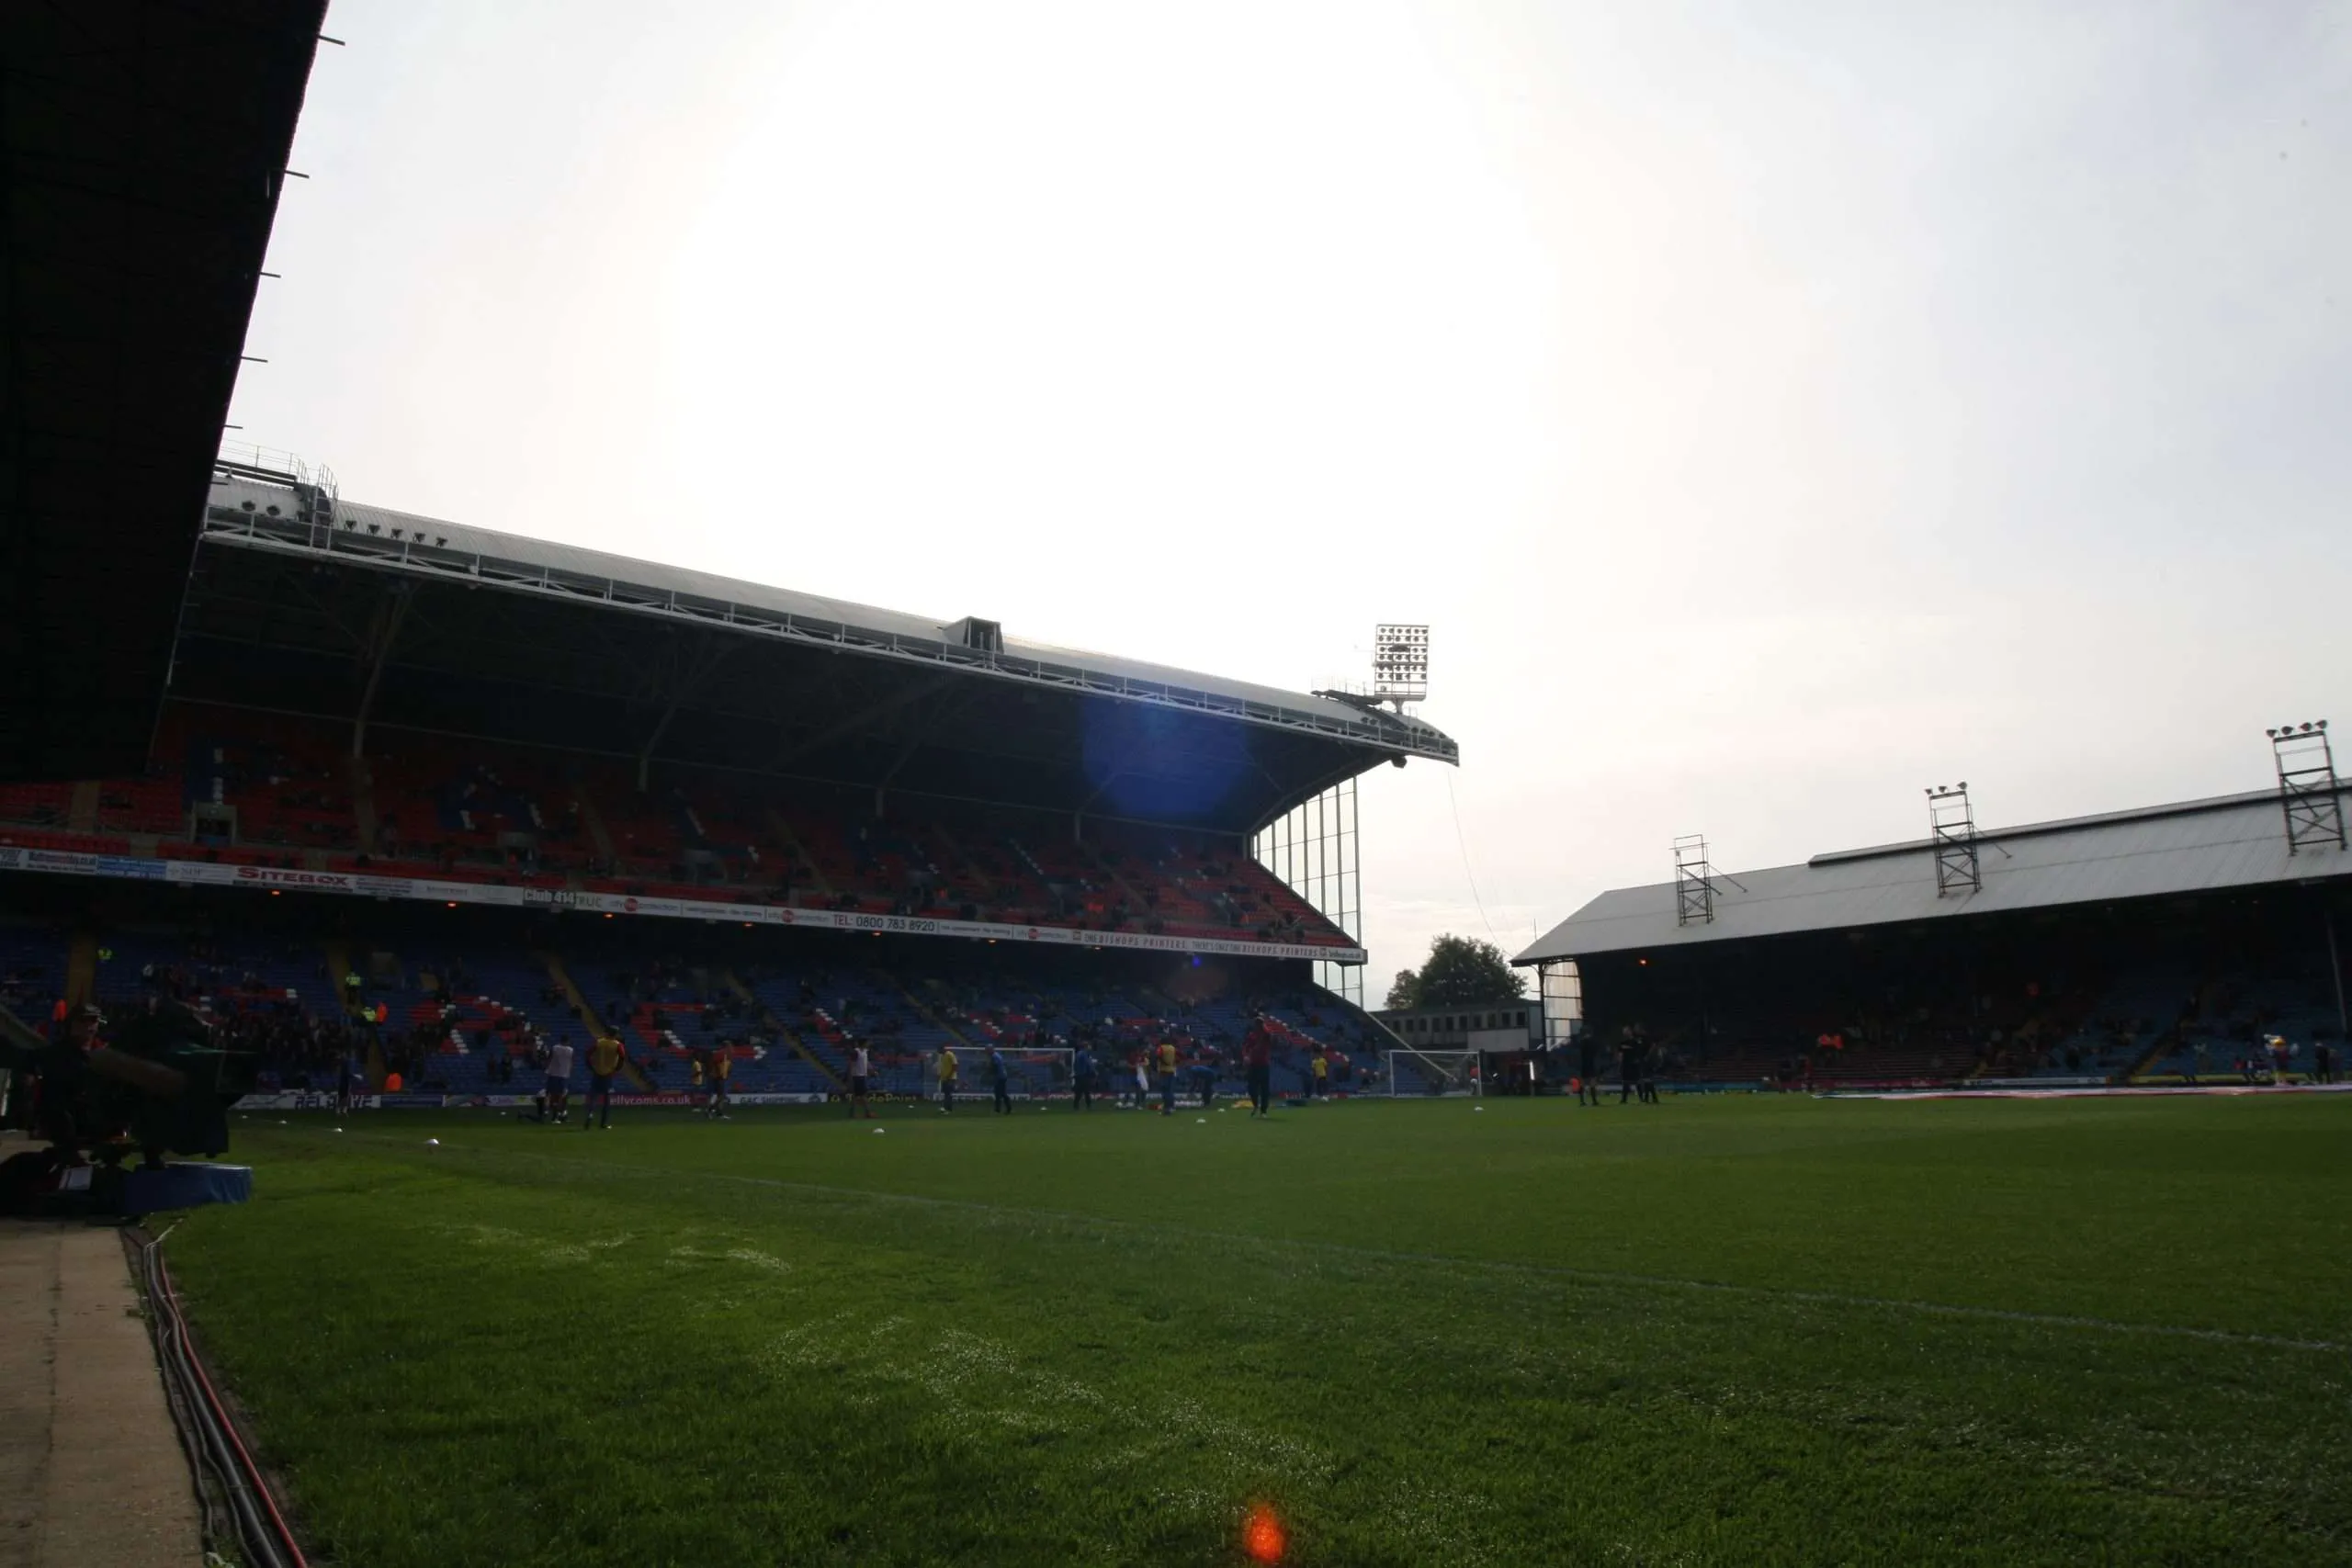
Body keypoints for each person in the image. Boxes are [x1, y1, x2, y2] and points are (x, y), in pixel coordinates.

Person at [583, 1033, 624, 1129]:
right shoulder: (617, 1045)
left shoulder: (599, 1042)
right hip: (608, 1074)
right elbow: (622, 1056)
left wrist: (590, 1066)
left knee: (594, 1097)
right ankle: (604, 1123)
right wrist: (617, 1068)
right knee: (607, 1100)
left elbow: (588, 1053)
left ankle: (590, 1115)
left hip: (597, 1072)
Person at [1242, 1015, 1272, 1118]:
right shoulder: (1252, 1036)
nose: (1259, 1026)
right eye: (1257, 1024)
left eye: (1260, 1024)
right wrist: (1246, 1056)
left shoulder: (1266, 1034)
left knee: (1265, 1090)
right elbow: (1246, 1047)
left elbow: (1270, 1037)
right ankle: (1255, 1104)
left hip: (1264, 1064)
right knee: (1251, 1088)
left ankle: (1263, 1111)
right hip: (1253, 1065)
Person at [543, 1036, 575, 1124]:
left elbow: (549, 1059)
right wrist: (569, 1072)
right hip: (563, 1076)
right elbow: (572, 1063)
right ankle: (558, 1116)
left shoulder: (555, 1048)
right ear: (568, 1041)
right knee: (561, 1096)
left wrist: (546, 1069)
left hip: (553, 1074)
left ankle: (546, 1112)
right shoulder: (570, 1050)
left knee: (550, 1094)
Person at [848, 1040, 874, 1119]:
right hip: (857, 1076)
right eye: (867, 1042)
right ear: (864, 1043)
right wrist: (850, 1076)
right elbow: (851, 1064)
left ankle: (853, 1113)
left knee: (858, 1096)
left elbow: (867, 1062)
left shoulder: (865, 1052)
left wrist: (872, 1070)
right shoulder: (856, 1052)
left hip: (862, 1076)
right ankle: (868, 1113)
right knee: (862, 1095)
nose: (869, 1044)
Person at [1156, 1036, 1179, 1116]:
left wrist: (1164, 1062)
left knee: (1164, 1089)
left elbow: (1158, 1056)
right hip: (1171, 1070)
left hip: (1163, 1070)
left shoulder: (1161, 1048)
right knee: (1170, 1090)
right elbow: (1177, 1058)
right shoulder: (1173, 1048)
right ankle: (1171, 1106)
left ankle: (1166, 1107)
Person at [1577, 1030, 1600, 1107]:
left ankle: (1582, 1101)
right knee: (1592, 1082)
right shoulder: (1592, 1042)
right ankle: (1594, 1101)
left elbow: (1580, 1052)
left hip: (1584, 1064)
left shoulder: (1581, 1042)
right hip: (1590, 1063)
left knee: (1583, 1083)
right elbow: (1595, 1052)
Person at [707, 1044, 732, 1120]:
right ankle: (709, 1110)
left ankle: (719, 1114)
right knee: (722, 1096)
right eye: (729, 1046)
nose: (731, 1048)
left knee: (720, 1096)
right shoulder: (721, 1054)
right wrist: (719, 1074)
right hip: (720, 1078)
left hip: (721, 1077)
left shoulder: (725, 1055)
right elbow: (716, 1065)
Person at [989, 1043, 1012, 1114]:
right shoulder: (998, 1055)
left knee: (999, 1093)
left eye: (988, 1050)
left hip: (1000, 1077)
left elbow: (995, 1066)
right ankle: (1007, 1108)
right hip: (1003, 1076)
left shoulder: (994, 1056)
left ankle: (999, 1109)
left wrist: (991, 1073)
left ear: (991, 1049)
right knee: (1002, 1093)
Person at [1617, 1028, 1638, 1105]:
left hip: (1633, 1064)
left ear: (1631, 1032)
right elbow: (1620, 1054)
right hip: (1625, 1064)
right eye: (1624, 1032)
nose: (1625, 1033)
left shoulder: (1635, 1042)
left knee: (1637, 1081)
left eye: (1627, 1031)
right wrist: (1620, 1063)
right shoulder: (1622, 1042)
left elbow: (1637, 1052)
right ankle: (1624, 1099)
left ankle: (1642, 1098)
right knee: (1625, 1082)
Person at [1072, 1043, 1095, 1111]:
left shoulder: (1078, 1054)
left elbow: (1075, 1065)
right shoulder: (1084, 1054)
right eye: (1089, 1046)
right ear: (1086, 1047)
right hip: (1084, 1076)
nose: (1090, 1047)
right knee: (1087, 1091)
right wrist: (1093, 1071)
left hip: (1078, 1075)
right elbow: (1088, 1064)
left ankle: (1076, 1106)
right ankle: (1089, 1105)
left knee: (1079, 1092)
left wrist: (1076, 1073)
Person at [937, 1043, 959, 1111]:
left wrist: (949, 1075)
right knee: (946, 1093)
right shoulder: (942, 1056)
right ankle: (947, 1108)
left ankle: (947, 1107)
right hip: (944, 1078)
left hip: (950, 1078)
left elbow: (955, 1065)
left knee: (949, 1093)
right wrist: (940, 1075)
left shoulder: (950, 1054)